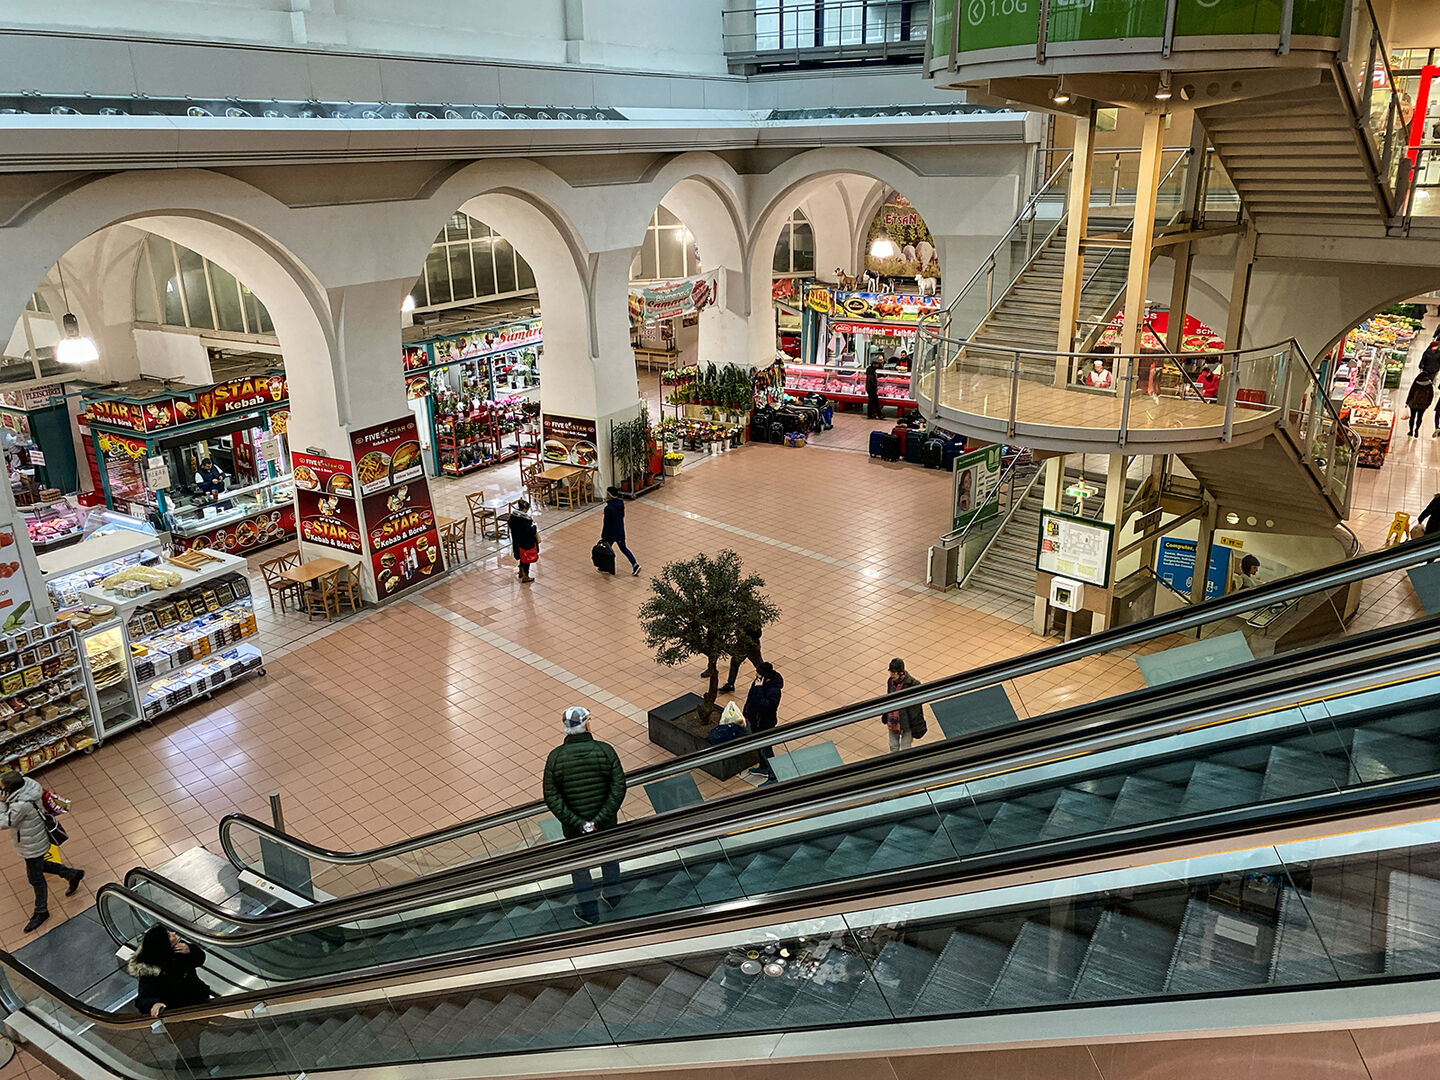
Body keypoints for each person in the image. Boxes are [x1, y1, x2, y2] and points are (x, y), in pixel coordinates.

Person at [542, 706, 626, 925]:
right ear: (587, 725)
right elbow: (618, 788)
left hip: (574, 830)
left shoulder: (555, 758)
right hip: (606, 825)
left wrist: (578, 823)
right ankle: (613, 898)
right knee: (609, 858)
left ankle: (590, 913)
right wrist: (599, 819)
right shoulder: (605, 751)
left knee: (580, 868)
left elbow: (551, 796)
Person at [0, 770, 82, 933]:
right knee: (41, 866)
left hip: (32, 844)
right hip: (34, 837)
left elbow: (4, 822)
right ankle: (72, 874)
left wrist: (2, 803)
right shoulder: (29, 788)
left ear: (11, 789)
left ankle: (41, 911)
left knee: (35, 878)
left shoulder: (21, 805)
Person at [127, 926, 216, 1071]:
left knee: (192, 1044)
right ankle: (192, 1071)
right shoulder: (151, 971)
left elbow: (199, 959)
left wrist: (191, 950)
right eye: (169, 935)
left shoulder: (179, 950)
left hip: (197, 1003)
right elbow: (143, 998)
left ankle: (193, 1069)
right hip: (178, 1015)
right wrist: (155, 1004)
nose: (174, 934)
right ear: (163, 944)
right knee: (188, 1047)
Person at [742, 662, 783, 784]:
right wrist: (746, 712)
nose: (756, 675)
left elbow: (764, 705)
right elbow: (750, 697)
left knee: (766, 749)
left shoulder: (774, 690)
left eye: (759, 674)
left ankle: (773, 776)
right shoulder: (758, 682)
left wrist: (759, 689)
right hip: (755, 721)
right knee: (759, 746)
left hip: (765, 724)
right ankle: (763, 767)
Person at [882, 659, 922, 753]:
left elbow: (916, 707)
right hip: (893, 719)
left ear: (900, 672)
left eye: (894, 673)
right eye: (890, 672)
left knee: (905, 748)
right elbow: (889, 699)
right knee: (893, 746)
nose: (891, 675)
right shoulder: (890, 681)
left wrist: (915, 721)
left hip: (907, 721)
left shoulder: (913, 684)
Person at [716, 617, 764, 694]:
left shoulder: (752, 620)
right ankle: (730, 684)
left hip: (751, 647)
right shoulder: (751, 618)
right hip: (745, 645)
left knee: (759, 666)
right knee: (735, 662)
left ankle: (767, 681)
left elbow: (757, 634)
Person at [600, 487, 640, 577]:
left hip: (611, 533)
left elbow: (606, 523)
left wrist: (603, 535)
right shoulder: (620, 505)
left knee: (607, 549)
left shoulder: (608, 508)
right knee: (623, 548)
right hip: (620, 531)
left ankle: (607, 566)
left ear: (609, 495)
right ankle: (634, 564)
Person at [509, 498, 539, 584]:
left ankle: (520, 571)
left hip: (516, 541)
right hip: (525, 542)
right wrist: (534, 528)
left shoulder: (513, 516)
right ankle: (526, 576)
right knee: (526, 558)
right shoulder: (525, 520)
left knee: (521, 555)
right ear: (525, 509)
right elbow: (529, 532)